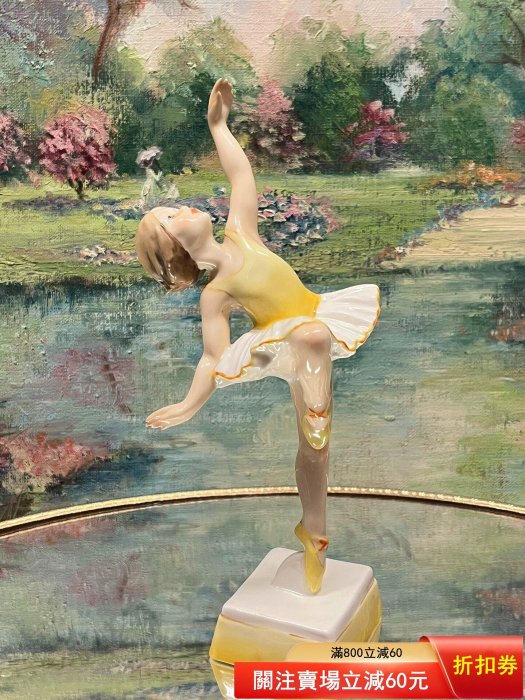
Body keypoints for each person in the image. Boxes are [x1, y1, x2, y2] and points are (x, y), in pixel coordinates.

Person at [135, 79, 380, 593]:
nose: (184, 208)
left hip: (315, 317)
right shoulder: (216, 293)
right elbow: (213, 357)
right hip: (279, 344)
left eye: (175, 207)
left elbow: (240, 173)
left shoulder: (242, 233)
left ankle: (313, 534)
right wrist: (189, 404)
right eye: (171, 217)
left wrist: (218, 125)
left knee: (316, 450)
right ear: (177, 247)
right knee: (310, 338)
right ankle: (316, 413)